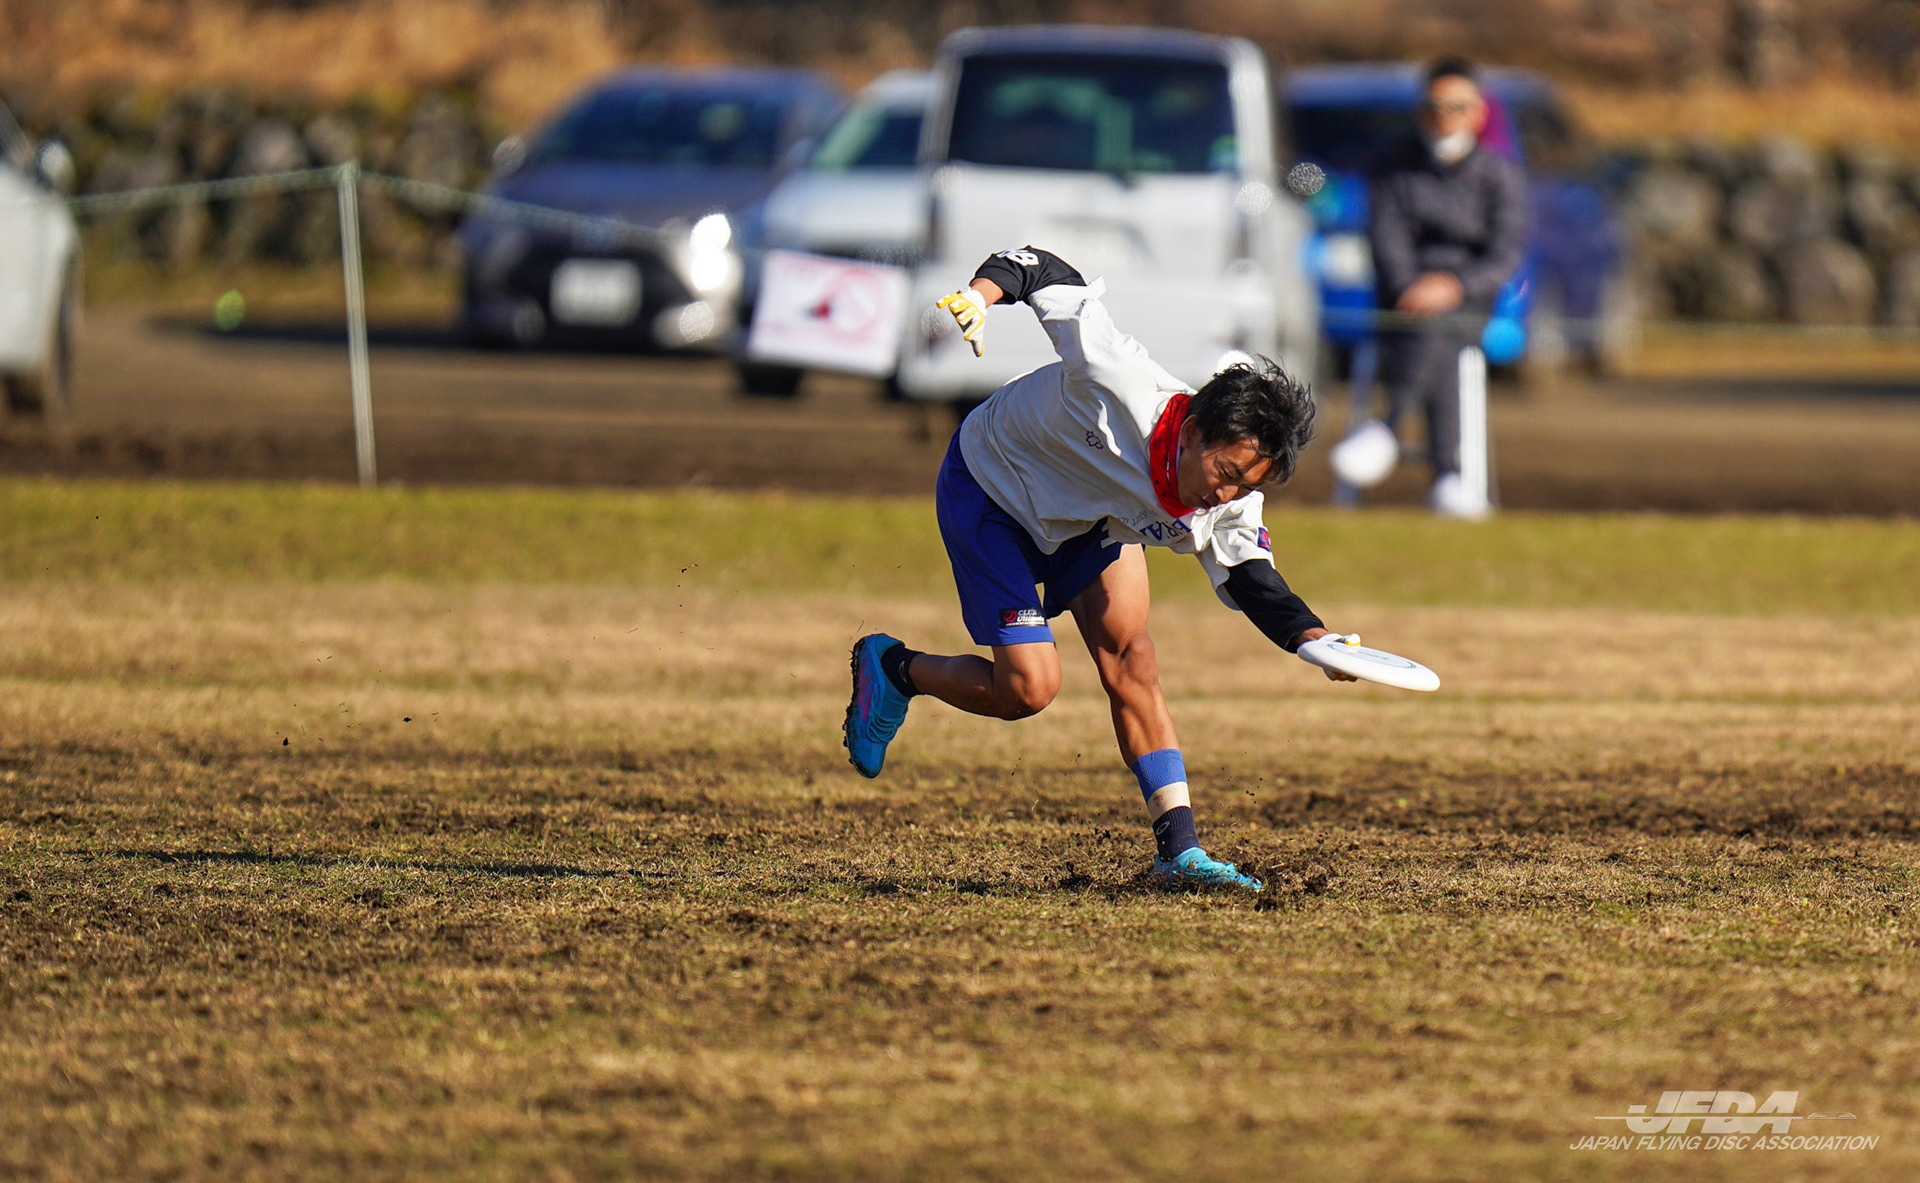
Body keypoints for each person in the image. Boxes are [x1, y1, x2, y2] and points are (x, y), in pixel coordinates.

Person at [841, 246, 1357, 894]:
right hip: (993, 488)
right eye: (1226, 473)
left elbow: (1254, 579)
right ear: (1193, 431)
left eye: (1247, 485)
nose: (1227, 495)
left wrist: (1317, 641)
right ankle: (895, 669)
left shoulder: (1229, 501)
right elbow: (1041, 270)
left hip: (1089, 520)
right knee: (1029, 688)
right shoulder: (1118, 377)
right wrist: (979, 295)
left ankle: (1181, 852)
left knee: (1132, 656)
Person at [1367, 56, 1528, 515]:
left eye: (1458, 106)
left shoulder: (1501, 176)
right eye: (1436, 106)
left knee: (1441, 327)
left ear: (1478, 113)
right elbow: (1386, 240)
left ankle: (1388, 424)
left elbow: (1505, 255)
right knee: (1434, 331)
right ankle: (1447, 474)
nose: (1445, 117)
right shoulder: (1393, 169)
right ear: (1421, 110)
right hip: (1403, 301)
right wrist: (1410, 286)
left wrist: (1454, 285)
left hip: (1470, 302)